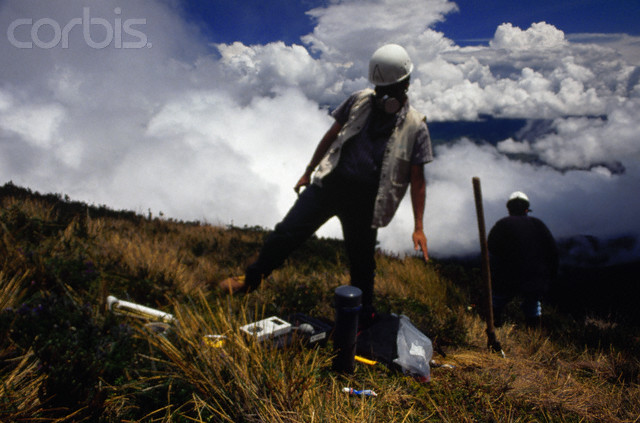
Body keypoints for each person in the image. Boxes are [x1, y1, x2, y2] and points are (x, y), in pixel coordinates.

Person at [219, 44, 433, 322]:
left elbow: (418, 181)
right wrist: (309, 170)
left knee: (362, 262)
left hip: (367, 202)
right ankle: (250, 280)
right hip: (330, 185)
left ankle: (362, 316)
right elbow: (332, 134)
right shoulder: (359, 100)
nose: (383, 97)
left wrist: (419, 227)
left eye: (389, 90)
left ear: (405, 85)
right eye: (379, 89)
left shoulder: (416, 127)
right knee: (286, 233)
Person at [487, 191, 559, 328]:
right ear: (526, 209)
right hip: (536, 277)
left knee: (497, 301)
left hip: (508, 276)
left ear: (509, 209)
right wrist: (550, 277)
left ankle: (494, 330)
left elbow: (491, 249)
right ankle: (533, 337)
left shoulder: (502, 224)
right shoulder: (538, 224)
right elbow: (553, 252)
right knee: (533, 304)